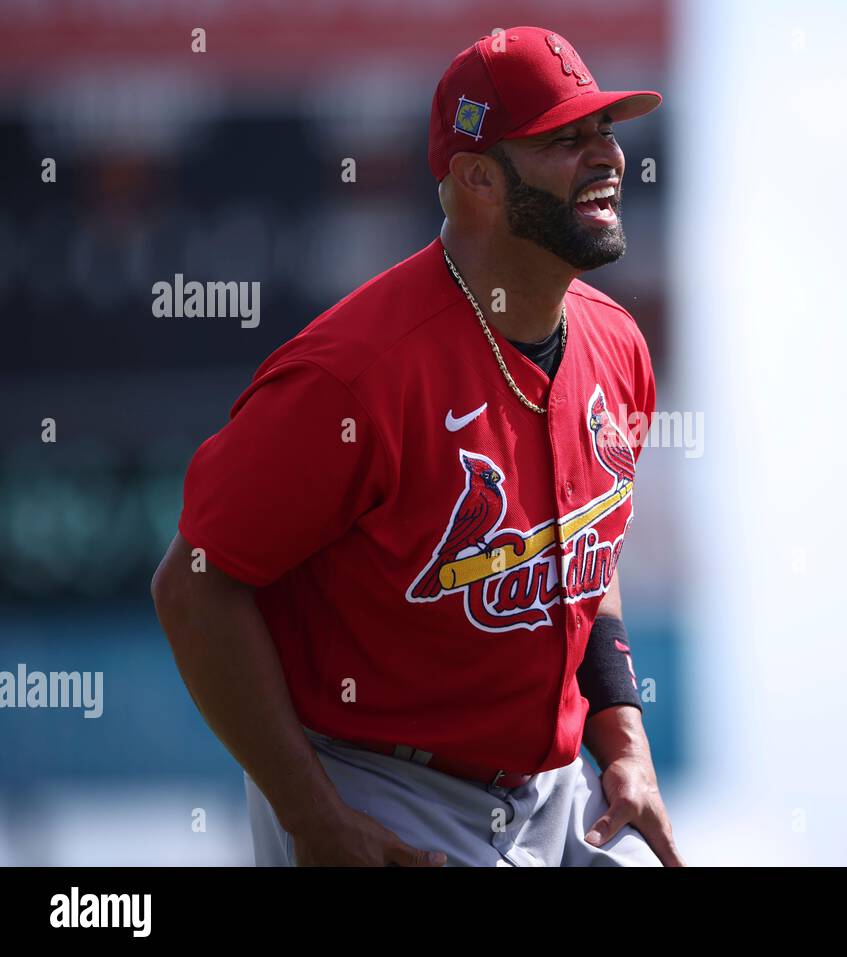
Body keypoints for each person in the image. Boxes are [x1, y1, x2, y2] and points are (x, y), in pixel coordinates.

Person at [151, 26, 683, 867]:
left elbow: (584, 538)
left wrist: (623, 737)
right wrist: (310, 813)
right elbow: (193, 586)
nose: (605, 158)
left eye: (605, 133)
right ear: (476, 178)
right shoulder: (354, 378)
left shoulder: (617, 347)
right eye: (564, 139)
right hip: (379, 794)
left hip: (550, 792)